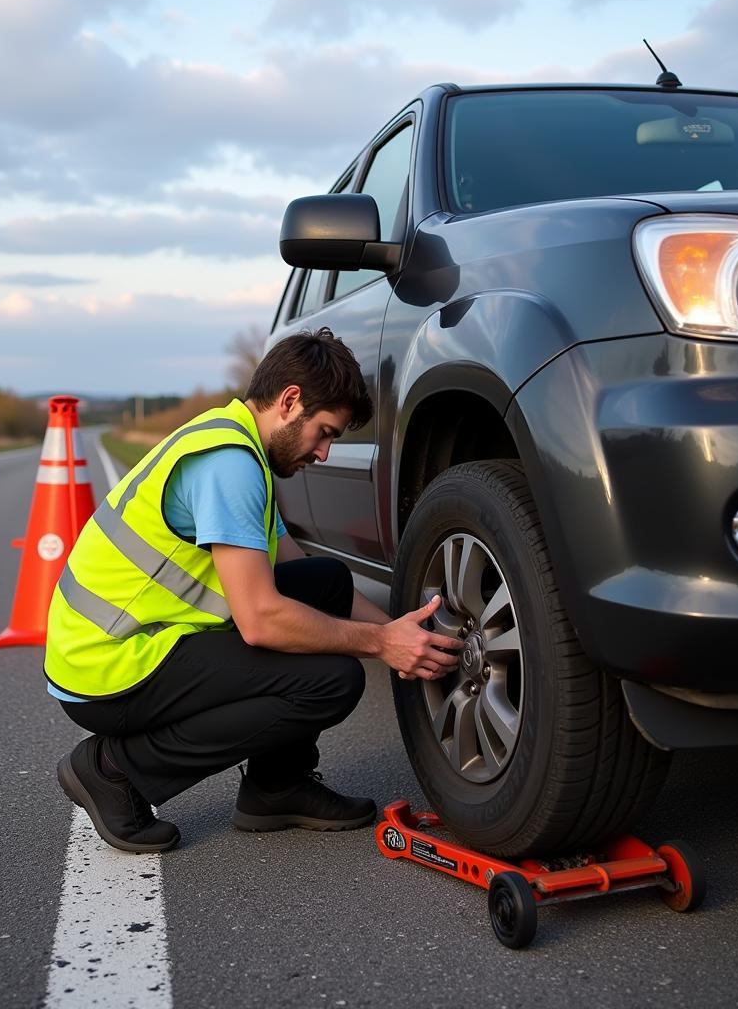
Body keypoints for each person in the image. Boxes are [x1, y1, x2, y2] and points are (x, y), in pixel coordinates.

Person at [45, 327, 463, 853]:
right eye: (325, 432)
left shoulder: (241, 447)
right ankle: (112, 769)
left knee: (327, 582)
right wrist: (379, 645)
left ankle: (275, 789)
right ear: (291, 402)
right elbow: (262, 621)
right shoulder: (230, 466)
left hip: (135, 640)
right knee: (332, 679)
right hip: (108, 665)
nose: (326, 453)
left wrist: (402, 632)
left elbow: (304, 576)